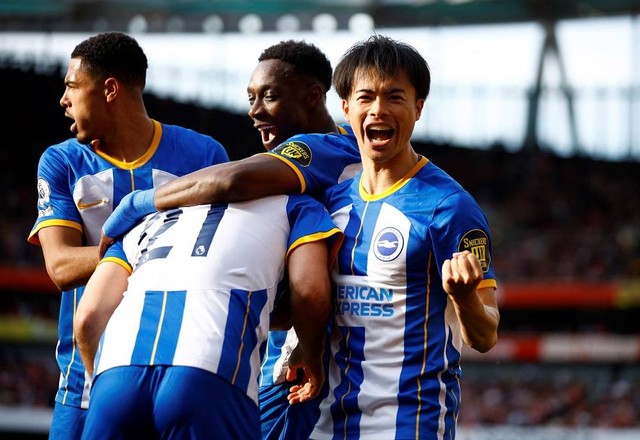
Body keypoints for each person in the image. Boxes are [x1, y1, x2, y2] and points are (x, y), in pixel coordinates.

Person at [99, 39, 362, 440]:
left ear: (312, 97)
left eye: (269, 96)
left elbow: (229, 179)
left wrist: (140, 201)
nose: (254, 111)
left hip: (299, 354)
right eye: (251, 97)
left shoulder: (320, 148)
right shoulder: (344, 144)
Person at [27, 31, 229, 439]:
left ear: (110, 90)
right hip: (84, 383)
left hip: (177, 375)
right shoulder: (62, 161)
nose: (63, 100)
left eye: (71, 86)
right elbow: (62, 266)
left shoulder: (204, 156)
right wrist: (148, 245)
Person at [306, 35, 501, 439]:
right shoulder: (330, 202)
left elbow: (485, 335)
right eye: (366, 97)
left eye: (395, 96)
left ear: (418, 108)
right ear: (345, 108)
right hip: (324, 423)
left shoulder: (450, 207)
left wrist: (464, 296)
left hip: (410, 424)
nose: (379, 109)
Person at [74, 194, 343, 439]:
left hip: (115, 375)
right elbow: (308, 291)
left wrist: (104, 386)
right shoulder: (300, 206)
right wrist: (311, 354)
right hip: (210, 374)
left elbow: (87, 318)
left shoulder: (146, 219)